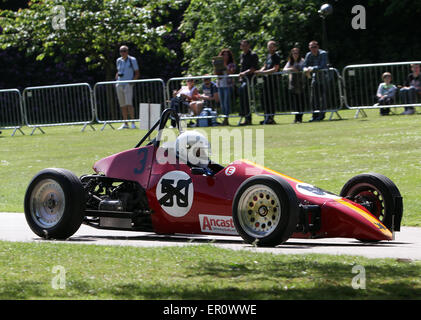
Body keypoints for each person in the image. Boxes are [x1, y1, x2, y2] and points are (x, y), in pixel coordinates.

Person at [255, 40, 281, 124]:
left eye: (271, 46)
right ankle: (266, 117)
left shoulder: (276, 56)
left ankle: (271, 118)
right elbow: (265, 66)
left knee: (271, 100)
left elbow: (275, 69)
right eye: (268, 46)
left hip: (272, 81)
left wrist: (263, 72)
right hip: (266, 81)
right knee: (265, 100)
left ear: (275, 47)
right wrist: (259, 71)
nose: (269, 48)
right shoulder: (268, 56)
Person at [303, 41, 329, 122]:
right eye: (311, 47)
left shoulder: (323, 53)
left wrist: (312, 68)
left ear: (317, 47)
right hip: (315, 78)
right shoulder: (308, 55)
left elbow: (323, 65)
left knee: (322, 98)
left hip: (324, 78)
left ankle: (321, 115)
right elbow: (304, 65)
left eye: (314, 47)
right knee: (313, 98)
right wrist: (305, 69)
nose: (313, 49)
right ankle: (314, 115)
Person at [115, 45, 140, 129]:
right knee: (122, 105)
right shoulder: (118, 60)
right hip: (119, 84)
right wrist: (116, 81)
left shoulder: (132, 60)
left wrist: (131, 83)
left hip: (128, 85)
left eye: (124, 51)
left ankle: (133, 123)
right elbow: (118, 72)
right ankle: (125, 123)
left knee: (129, 104)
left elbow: (137, 72)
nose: (122, 52)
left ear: (127, 51)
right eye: (121, 51)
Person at [238, 40, 259, 126]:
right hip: (243, 80)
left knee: (246, 97)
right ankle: (245, 116)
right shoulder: (242, 55)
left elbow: (253, 68)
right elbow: (242, 68)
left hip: (250, 80)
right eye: (243, 46)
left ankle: (248, 118)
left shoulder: (253, 55)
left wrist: (244, 73)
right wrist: (240, 76)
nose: (244, 47)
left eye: (246, 45)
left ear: (249, 46)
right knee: (242, 97)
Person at [283, 47, 306, 123]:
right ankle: (296, 118)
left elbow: (305, 68)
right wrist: (291, 69)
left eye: (297, 53)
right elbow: (284, 70)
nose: (295, 55)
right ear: (291, 54)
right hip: (293, 84)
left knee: (301, 101)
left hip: (300, 83)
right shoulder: (290, 62)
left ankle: (300, 118)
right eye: (294, 53)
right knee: (295, 102)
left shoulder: (302, 61)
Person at [215, 49, 236, 126]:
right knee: (222, 104)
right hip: (220, 85)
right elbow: (216, 74)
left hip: (228, 85)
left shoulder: (231, 64)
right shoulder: (219, 64)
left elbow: (231, 72)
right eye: (223, 55)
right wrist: (216, 66)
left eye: (226, 55)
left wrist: (224, 65)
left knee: (226, 103)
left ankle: (226, 119)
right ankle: (224, 119)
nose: (225, 56)